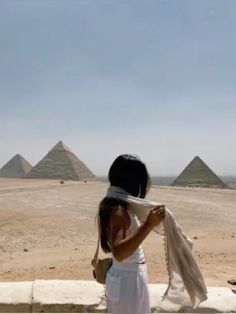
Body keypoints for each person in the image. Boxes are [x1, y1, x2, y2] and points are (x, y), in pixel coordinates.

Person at [97, 154, 165, 314]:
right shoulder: (118, 210)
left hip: (126, 278)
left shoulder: (114, 204)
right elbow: (119, 252)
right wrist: (149, 224)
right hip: (128, 281)